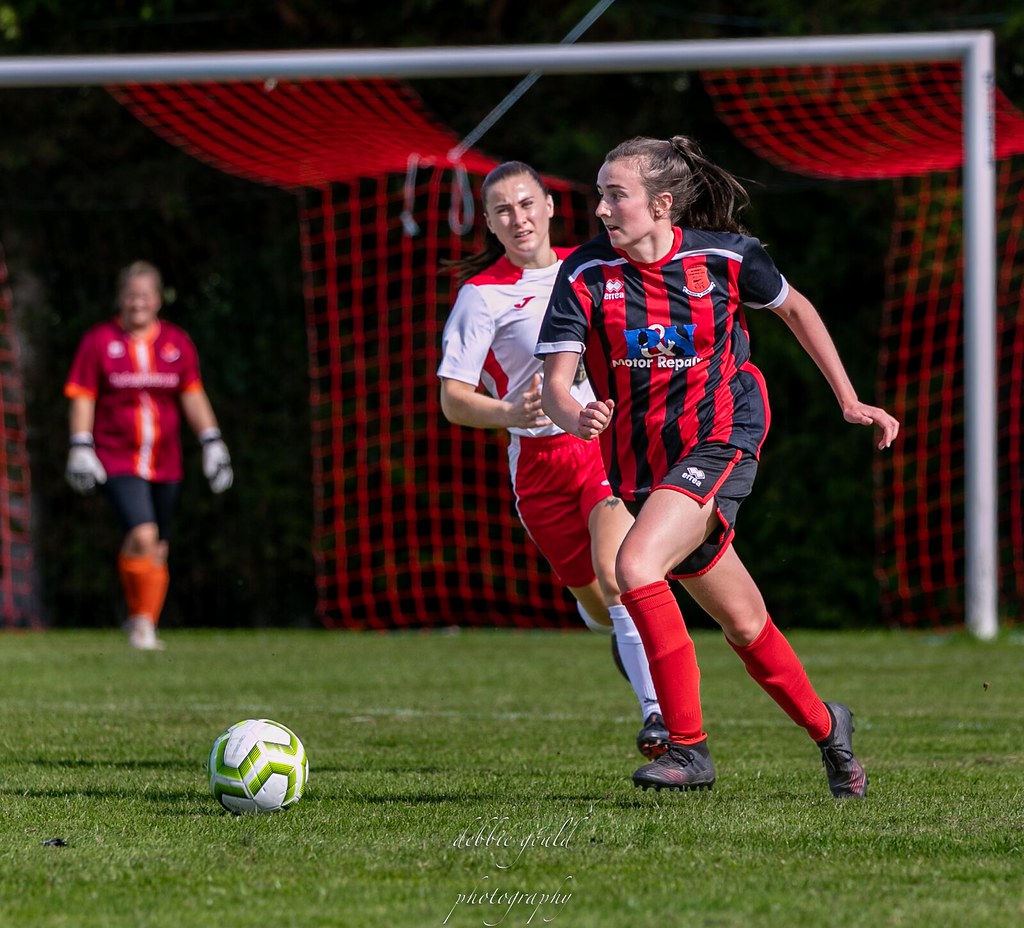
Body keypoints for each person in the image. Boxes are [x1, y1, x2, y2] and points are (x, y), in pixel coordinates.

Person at [537, 136, 900, 797]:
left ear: (662, 204)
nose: (601, 209)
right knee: (744, 622)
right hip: (644, 466)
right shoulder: (585, 274)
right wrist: (573, 415)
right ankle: (831, 731)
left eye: (616, 195)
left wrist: (849, 400)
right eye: (600, 195)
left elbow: (796, 308)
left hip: (722, 437)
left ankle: (688, 749)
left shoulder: (726, 259)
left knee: (634, 567)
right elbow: (557, 383)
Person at [437, 160, 668, 759]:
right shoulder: (481, 296)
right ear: (490, 223)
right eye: (503, 210)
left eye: (526, 204)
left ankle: (658, 716)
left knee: (617, 574)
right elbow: (453, 400)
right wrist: (508, 411)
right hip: (537, 469)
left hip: (599, 442)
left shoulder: (590, 267)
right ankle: (619, 633)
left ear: (548, 206)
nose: (518, 218)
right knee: (598, 601)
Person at [64, 260, 233, 650]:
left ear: (158, 300)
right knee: (144, 533)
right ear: (119, 299)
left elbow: (192, 394)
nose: (137, 303)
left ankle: (142, 620)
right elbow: (83, 395)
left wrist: (212, 441)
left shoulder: (176, 343)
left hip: (165, 460)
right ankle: (143, 626)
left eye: (144, 295)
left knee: (156, 547)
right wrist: (80, 445)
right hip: (117, 456)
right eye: (130, 295)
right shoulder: (99, 341)